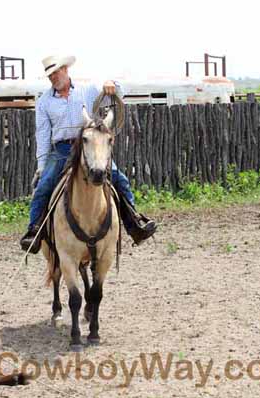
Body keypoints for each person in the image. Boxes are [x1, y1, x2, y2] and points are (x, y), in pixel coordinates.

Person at [20, 55, 157, 253]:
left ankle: (134, 224)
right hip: (62, 150)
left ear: (66, 69)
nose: (53, 77)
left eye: (56, 72)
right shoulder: (44, 102)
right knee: (44, 186)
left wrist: (112, 84)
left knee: (119, 178)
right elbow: (42, 135)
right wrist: (41, 166)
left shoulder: (88, 90)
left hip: (91, 147)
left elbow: (119, 94)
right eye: (49, 75)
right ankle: (34, 231)